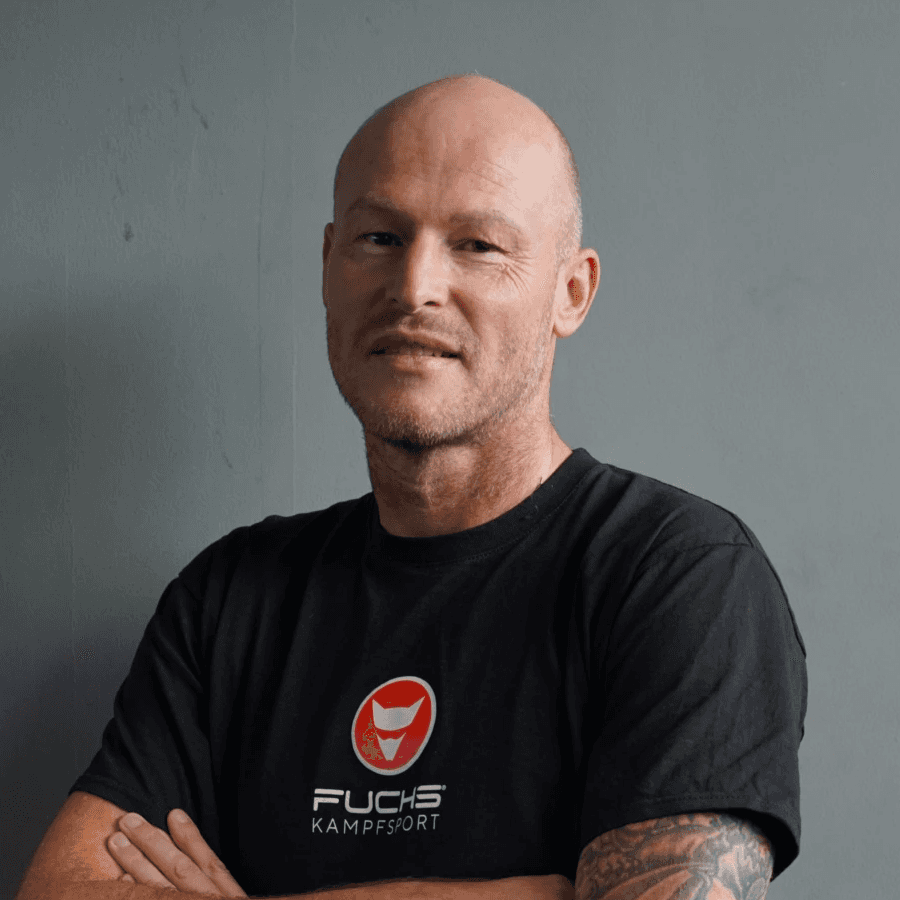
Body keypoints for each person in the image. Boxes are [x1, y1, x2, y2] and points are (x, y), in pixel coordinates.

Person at [15, 74, 807, 900]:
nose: (415, 286)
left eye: (479, 245)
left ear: (570, 292)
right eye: (381, 238)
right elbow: (58, 887)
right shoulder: (231, 598)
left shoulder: (680, 576)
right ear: (329, 265)